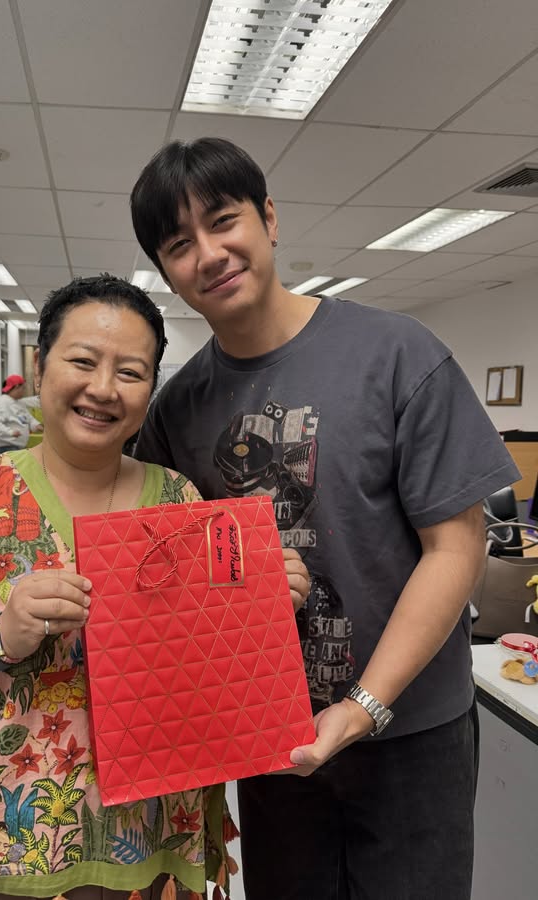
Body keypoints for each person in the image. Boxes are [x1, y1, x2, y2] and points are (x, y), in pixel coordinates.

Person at [129, 137, 521, 900]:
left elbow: (456, 547)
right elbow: (162, 569)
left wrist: (363, 706)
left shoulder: (397, 354)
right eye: (179, 245)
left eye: (224, 221)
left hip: (411, 731)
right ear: (166, 272)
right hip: (270, 735)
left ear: (269, 218)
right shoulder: (178, 409)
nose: (209, 254)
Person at [0, 274, 307, 900]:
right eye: (83, 361)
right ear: (40, 369)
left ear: (150, 390)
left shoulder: (178, 501)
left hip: (151, 842)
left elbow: (210, 666)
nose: (103, 388)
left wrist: (263, 604)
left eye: (130, 372)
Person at [0, 374, 42, 453]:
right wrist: (10, 432)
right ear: (17, 387)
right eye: (23, 388)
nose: (24, 391)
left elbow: (27, 418)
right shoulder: (2, 402)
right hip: (7, 447)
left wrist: (36, 425)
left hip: (19, 447)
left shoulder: (18, 402)